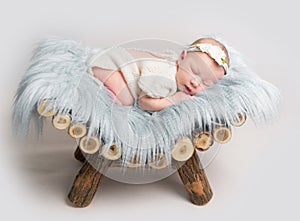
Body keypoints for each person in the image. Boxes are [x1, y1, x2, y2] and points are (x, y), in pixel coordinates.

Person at [89, 37, 230, 111]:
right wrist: (174, 100)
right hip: (108, 65)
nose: (195, 82)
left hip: (112, 61)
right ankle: (94, 87)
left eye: (205, 83)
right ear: (181, 57)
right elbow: (144, 103)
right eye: (194, 71)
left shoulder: (177, 71)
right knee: (126, 100)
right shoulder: (166, 78)